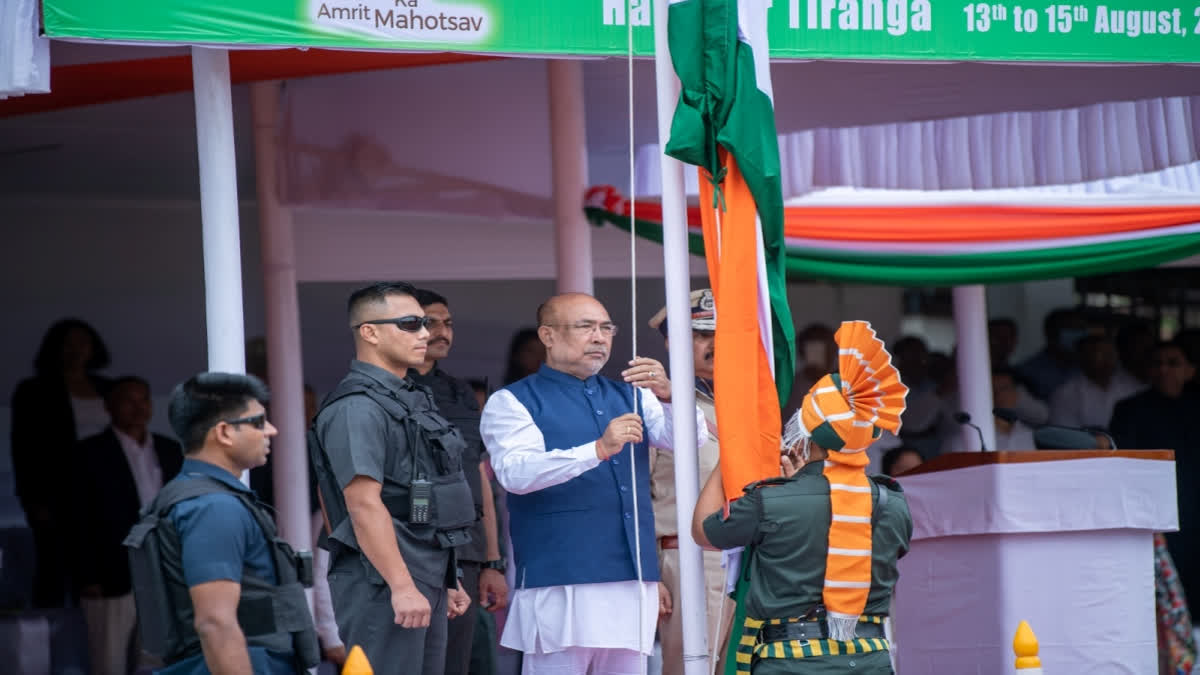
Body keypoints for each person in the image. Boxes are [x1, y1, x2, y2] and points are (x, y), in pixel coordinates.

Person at [479, 292, 705, 674]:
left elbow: (690, 441)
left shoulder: (632, 394)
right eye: (586, 327)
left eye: (606, 328)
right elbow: (516, 473)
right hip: (560, 578)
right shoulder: (512, 401)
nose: (599, 337)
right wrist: (598, 449)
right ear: (547, 336)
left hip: (632, 578)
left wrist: (671, 396)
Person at [694, 320, 912, 674]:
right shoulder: (894, 502)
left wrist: (727, 457)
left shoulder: (772, 500)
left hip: (792, 661)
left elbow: (703, 532)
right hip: (870, 658)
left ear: (805, 432)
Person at [309, 281, 473, 674]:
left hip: (423, 573)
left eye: (426, 324)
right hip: (383, 580)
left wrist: (447, 579)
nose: (426, 334)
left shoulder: (407, 397)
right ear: (369, 332)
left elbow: (426, 494)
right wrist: (401, 585)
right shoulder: (357, 407)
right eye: (411, 324)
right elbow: (363, 503)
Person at [123, 372, 319, 674]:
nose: (272, 430)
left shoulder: (198, 496)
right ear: (225, 432)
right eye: (258, 422)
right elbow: (215, 622)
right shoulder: (213, 507)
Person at [410, 288, 510, 675]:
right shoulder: (378, 391)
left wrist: (492, 561)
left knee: (456, 663)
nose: (442, 332)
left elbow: (478, 476)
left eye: (448, 323)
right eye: (429, 322)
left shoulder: (461, 393)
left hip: (464, 552)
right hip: (406, 549)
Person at [646, 289, 734, 675]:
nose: (713, 343)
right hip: (688, 557)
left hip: (747, 558)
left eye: (720, 333)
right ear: (672, 341)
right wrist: (648, 575)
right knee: (690, 669)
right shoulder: (654, 404)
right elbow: (633, 498)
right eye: (700, 334)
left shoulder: (745, 403)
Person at [71, 376, 184, 675]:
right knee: (109, 662)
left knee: (156, 661)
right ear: (109, 406)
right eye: (128, 400)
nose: (138, 407)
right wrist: (87, 575)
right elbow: (78, 518)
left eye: (143, 399)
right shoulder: (89, 453)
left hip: (162, 571)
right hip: (111, 574)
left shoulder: (170, 449)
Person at [11, 318, 113, 607]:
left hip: (103, 488)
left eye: (83, 342)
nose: (76, 349)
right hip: (57, 489)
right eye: (68, 343)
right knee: (54, 566)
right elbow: (24, 447)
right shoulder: (35, 390)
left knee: (104, 563)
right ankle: (49, 638)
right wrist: (33, 500)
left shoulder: (107, 387)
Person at [1110, 341, 1200, 614]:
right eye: (1157, 363)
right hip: (1158, 510)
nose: (1164, 370)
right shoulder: (1130, 409)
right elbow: (1122, 463)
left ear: (1190, 370)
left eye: (1173, 363)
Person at [1048, 335, 1143, 431]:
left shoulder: (1131, 385)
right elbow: (1066, 437)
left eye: (1111, 353)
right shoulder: (1065, 394)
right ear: (1083, 357)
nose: (1108, 359)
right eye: (1101, 353)